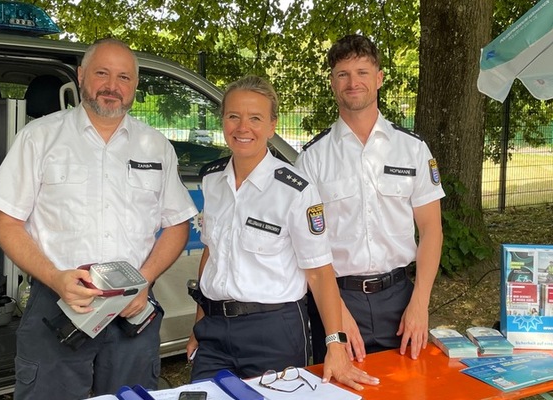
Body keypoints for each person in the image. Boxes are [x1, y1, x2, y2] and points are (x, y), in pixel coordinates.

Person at [0, 38, 197, 399]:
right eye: (102, 73)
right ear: (81, 76)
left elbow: (177, 225)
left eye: (124, 77)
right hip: (58, 305)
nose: (112, 86)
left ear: (135, 85)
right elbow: (5, 224)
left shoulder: (156, 146)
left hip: (133, 311)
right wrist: (55, 277)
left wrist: (144, 281)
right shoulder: (39, 138)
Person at [185, 75, 378, 391]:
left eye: (255, 118)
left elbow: (319, 274)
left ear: (272, 126)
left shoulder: (295, 190)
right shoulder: (212, 181)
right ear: (223, 121)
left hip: (272, 332)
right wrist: (198, 324)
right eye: (234, 116)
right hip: (214, 331)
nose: (243, 127)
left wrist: (335, 343)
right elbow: (212, 254)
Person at [295, 34, 445, 362]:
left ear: (379, 79)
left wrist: (420, 304)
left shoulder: (413, 149)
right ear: (332, 83)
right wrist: (337, 316)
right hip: (337, 301)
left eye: (363, 72)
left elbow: (431, 229)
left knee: (407, 390)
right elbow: (306, 246)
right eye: (343, 74)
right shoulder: (312, 159)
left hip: (400, 300)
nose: (353, 82)